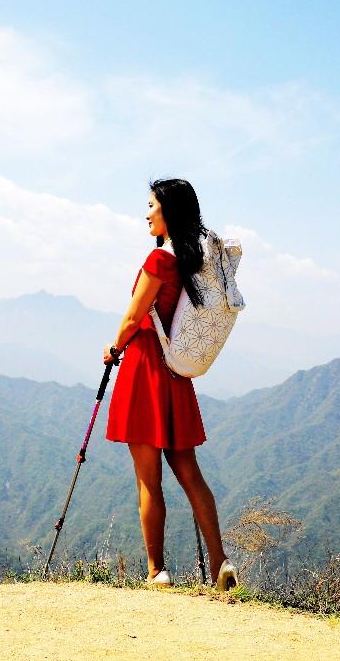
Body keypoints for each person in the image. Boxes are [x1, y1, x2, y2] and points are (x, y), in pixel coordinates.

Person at [102, 178, 238, 591]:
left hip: (144, 370)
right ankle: (220, 562)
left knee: (148, 479)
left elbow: (132, 319)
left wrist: (112, 349)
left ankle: (157, 571)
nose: (146, 214)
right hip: (175, 374)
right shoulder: (192, 260)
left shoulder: (159, 260)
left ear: (168, 211)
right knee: (191, 474)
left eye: (151, 206)